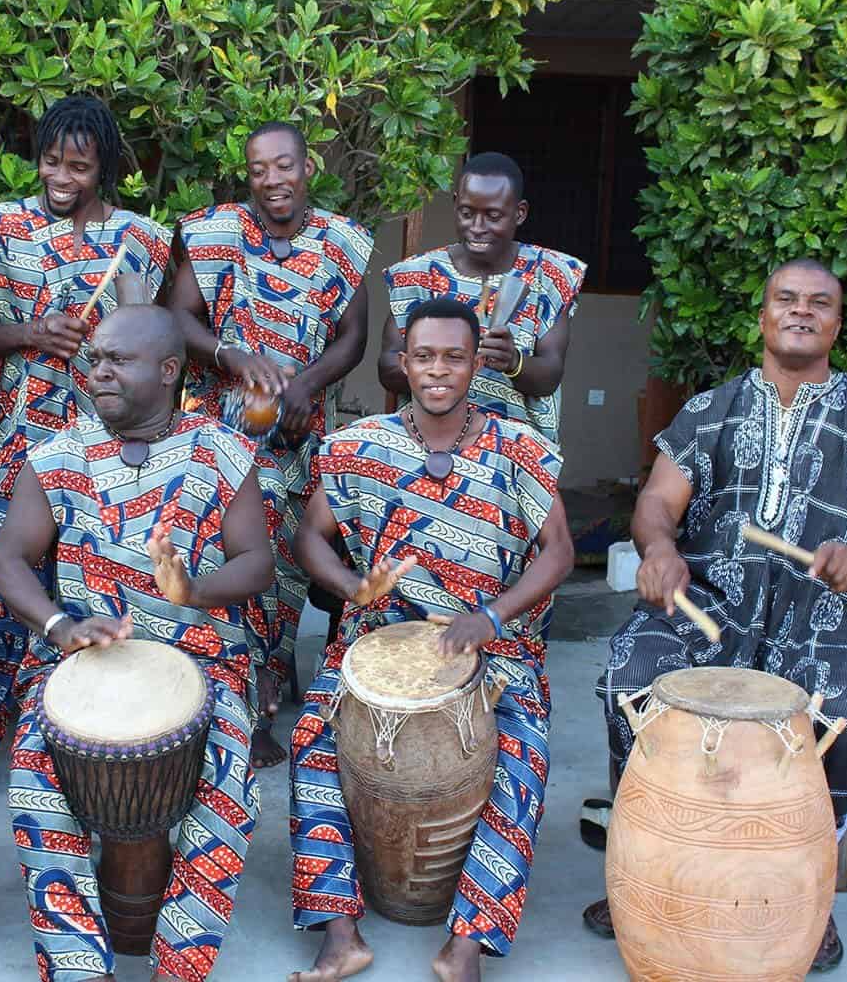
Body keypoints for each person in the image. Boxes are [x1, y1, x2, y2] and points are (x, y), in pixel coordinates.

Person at [582, 259, 847, 972]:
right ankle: (643, 867)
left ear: (837, 323)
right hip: (712, 599)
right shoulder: (709, 410)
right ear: (764, 316)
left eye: (819, 303)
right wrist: (660, 551)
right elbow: (657, 503)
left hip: (829, 614)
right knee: (633, 674)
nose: (801, 311)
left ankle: (808, 896)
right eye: (786, 299)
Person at [288, 298, 575, 982]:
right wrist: (352, 587)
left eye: (453, 357)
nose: (438, 370)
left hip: (494, 650)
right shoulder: (360, 446)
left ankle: (466, 946)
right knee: (310, 738)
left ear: (476, 365)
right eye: (424, 356)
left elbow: (559, 551)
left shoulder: (518, 449)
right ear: (403, 364)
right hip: (377, 640)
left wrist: (492, 617)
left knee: (525, 755)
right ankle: (339, 933)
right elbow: (308, 538)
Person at [0, 305, 274, 982]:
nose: (99, 371)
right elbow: (7, 560)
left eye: (118, 360)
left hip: (202, 660)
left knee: (231, 781)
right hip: (80, 659)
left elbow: (258, 562)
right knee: (31, 778)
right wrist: (59, 627)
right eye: (95, 360)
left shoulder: (221, 452)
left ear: (169, 370)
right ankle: (79, 967)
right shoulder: (58, 455)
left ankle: (181, 964)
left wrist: (193, 590)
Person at [0, 95, 172, 741]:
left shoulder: (137, 240)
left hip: (104, 444)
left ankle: (82, 720)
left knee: (93, 575)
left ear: (103, 168)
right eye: (50, 161)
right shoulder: (2, 229)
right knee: (7, 576)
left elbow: (149, 334)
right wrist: (30, 332)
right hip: (21, 436)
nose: (60, 177)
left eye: (78, 166)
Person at [167, 121, 375, 770]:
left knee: (284, 571)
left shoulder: (341, 242)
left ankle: (262, 701)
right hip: (222, 435)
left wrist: (304, 386)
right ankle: (217, 700)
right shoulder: (217, 234)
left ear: (307, 167)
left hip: (299, 434)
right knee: (221, 561)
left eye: (284, 166)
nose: (272, 181)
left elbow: (354, 337)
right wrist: (229, 355)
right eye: (258, 170)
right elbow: (178, 317)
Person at [379, 152, 586, 449]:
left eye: (493, 216)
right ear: (455, 204)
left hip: (516, 453)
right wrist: (434, 364)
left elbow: (550, 374)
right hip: (427, 451)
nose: (477, 226)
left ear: (520, 213)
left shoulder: (548, 275)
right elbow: (387, 369)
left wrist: (513, 362)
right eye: (467, 213)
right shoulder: (418, 276)